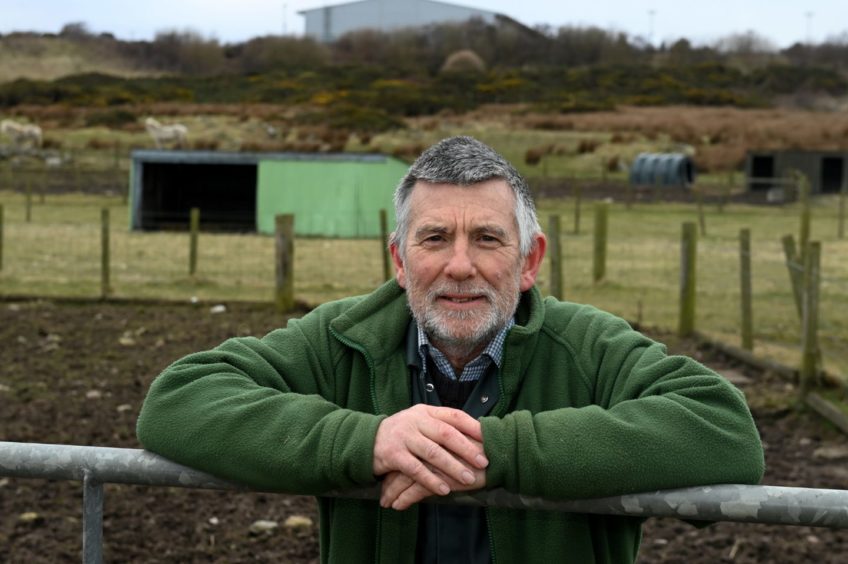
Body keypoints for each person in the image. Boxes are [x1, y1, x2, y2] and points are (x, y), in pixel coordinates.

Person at [137, 136, 764, 563]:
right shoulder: (342, 339)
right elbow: (179, 400)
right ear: (399, 260)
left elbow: (722, 430)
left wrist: (496, 451)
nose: (459, 266)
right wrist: (367, 443)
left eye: (488, 238)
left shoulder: (590, 348)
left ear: (530, 260)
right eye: (434, 237)